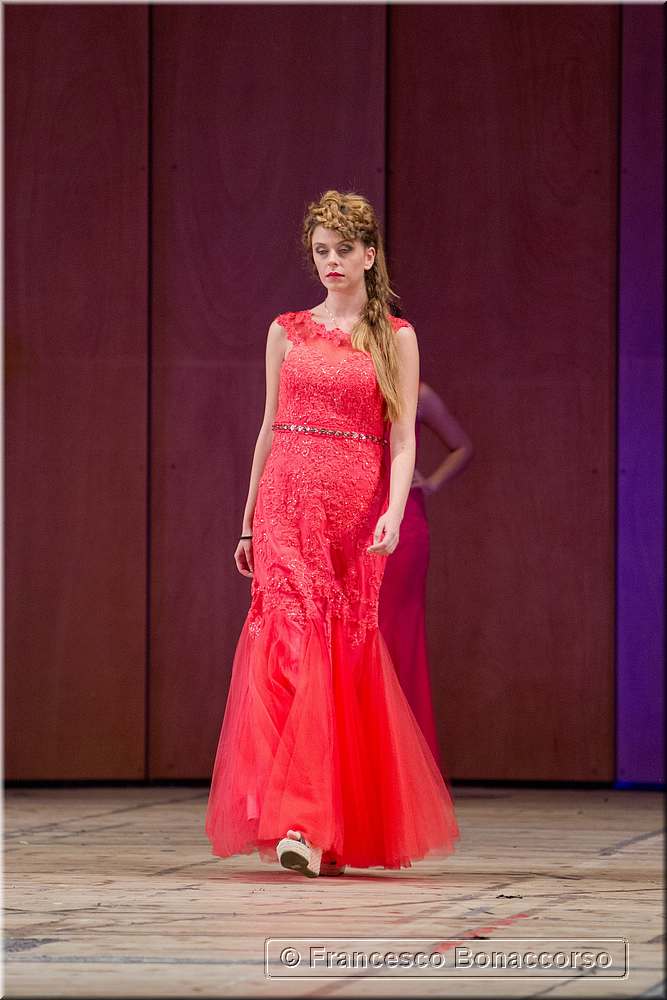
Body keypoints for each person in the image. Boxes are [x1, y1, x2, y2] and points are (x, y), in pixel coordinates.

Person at [205, 189, 460, 878]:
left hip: (353, 509)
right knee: (289, 645)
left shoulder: (394, 337)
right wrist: (248, 518)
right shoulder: (285, 330)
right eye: (321, 251)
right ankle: (299, 821)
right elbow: (268, 426)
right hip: (286, 502)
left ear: (369, 255)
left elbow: (402, 438)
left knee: (339, 652)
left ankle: (329, 826)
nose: (331, 262)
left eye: (344, 249)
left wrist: (395, 509)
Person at [379, 376, 474, 771]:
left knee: (397, 636)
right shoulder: (348, 379)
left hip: (404, 522)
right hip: (353, 515)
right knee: (355, 637)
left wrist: (431, 483)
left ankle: (402, 767)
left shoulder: (418, 393)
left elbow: (462, 446)